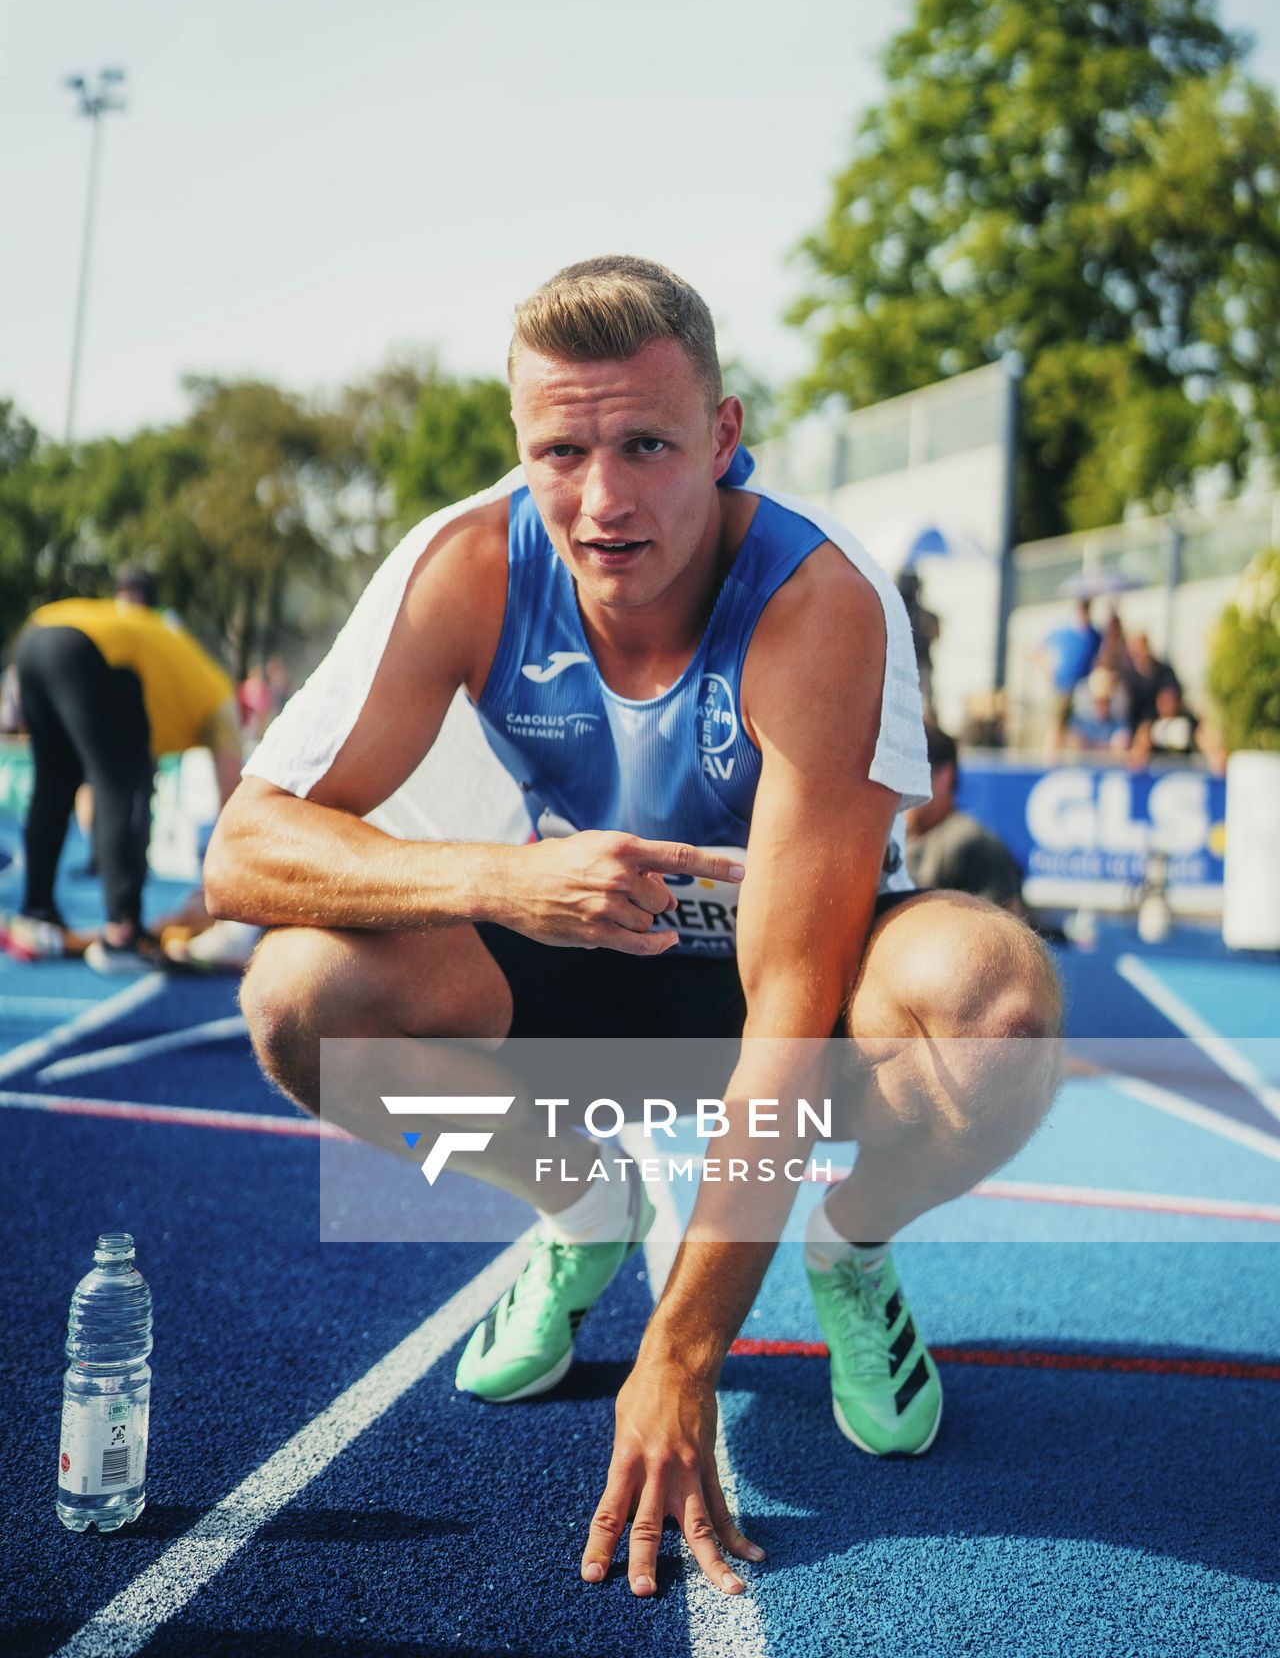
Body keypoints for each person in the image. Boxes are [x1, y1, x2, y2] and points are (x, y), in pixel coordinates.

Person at [207, 257, 1060, 1602]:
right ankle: (578, 1198)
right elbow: (243, 848)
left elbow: (785, 1006)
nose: (602, 500)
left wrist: (683, 1351)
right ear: (519, 446)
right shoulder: (466, 566)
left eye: (646, 444)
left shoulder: (818, 602)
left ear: (722, 439)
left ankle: (855, 1242)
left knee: (995, 1013)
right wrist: (496, 880)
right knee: (299, 1000)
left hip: (808, 963)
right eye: (562, 450)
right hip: (586, 938)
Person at [8, 565, 243, 974]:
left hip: (35, 636)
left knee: (55, 782)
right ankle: (124, 933)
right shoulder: (219, 698)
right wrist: (230, 881)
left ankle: (37, 913)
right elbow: (235, 804)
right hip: (93, 650)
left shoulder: (176, 674)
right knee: (122, 784)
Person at [905, 725, 1026, 915]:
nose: (901, 788)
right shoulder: (893, 839)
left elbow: (1007, 926)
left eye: (912, 774)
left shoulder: (972, 843)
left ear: (945, 774)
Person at [1038, 599, 1102, 752]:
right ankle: (1050, 755)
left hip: (1083, 686)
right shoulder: (1064, 631)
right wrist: (1047, 671)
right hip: (1063, 684)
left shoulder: (1093, 635)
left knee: (1078, 728)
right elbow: (1039, 649)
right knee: (1057, 723)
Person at [895, 567, 940, 720]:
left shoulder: (923, 617)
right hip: (904, 666)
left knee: (924, 705)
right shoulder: (896, 612)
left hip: (920, 665)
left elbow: (935, 636)